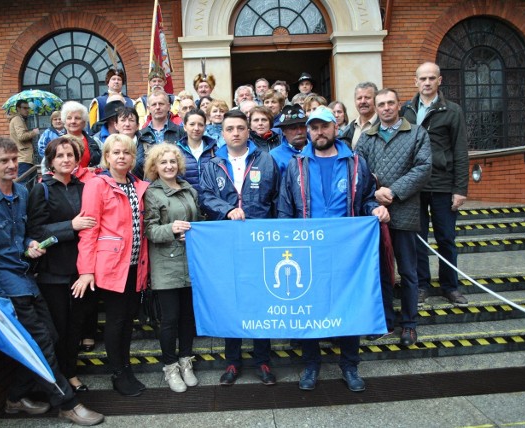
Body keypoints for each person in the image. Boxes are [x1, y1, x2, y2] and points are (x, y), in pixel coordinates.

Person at [0, 136, 104, 426]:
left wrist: (30, 244)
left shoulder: (21, 192)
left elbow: (28, 233)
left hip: (27, 278)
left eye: (15, 159)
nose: (12, 165)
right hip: (6, 286)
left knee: (49, 338)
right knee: (41, 341)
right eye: (4, 160)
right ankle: (67, 403)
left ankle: (16, 396)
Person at [277, 108, 390, 392]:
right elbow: (285, 209)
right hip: (308, 250)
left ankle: (350, 365)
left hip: (347, 251)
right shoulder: (297, 165)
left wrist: (374, 207)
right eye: (313, 127)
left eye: (324, 126)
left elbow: (364, 199)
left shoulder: (354, 162)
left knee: (349, 305)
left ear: (335, 127)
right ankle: (311, 364)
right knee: (309, 307)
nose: (319, 132)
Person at [199, 110, 280, 386]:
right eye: (230, 128)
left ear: (248, 132)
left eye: (240, 128)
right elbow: (206, 197)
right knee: (231, 300)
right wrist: (228, 210)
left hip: (260, 243)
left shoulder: (266, 160)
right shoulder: (212, 164)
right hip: (227, 242)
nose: (235, 132)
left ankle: (263, 361)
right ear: (222, 133)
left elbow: (277, 199)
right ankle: (232, 361)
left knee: (260, 298)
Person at [72, 134, 149, 398]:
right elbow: (89, 230)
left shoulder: (137, 184)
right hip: (111, 264)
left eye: (126, 153)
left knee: (128, 319)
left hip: (134, 264)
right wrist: (86, 270)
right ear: (106, 157)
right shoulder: (97, 185)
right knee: (116, 321)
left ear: (132, 158)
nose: (121, 157)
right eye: (115, 153)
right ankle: (118, 373)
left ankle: (126, 368)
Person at [356, 88, 432, 347]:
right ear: (375, 108)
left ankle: (409, 324)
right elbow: (359, 170)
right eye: (381, 104)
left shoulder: (417, 134)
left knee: (408, 272)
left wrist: (394, 191)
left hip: (405, 211)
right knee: (381, 271)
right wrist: (374, 193)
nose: (386, 108)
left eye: (391, 103)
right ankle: (385, 320)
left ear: (399, 105)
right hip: (375, 214)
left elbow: (423, 167)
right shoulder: (367, 137)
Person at [27, 137, 97, 393]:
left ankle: (71, 373)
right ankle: (60, 378)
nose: (66, 159)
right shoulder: (41, 189)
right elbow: (36, 231)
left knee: (76, 325)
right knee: (60, 327)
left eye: (70, 155)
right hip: (53, 272)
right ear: (51, 161)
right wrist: (70, 227)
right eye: (60, 156)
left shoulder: (83, 187)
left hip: (81, 269)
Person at [402, 62, 470, 307]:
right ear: (415, 81)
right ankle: (422, 285)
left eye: (432, 78)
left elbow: (461, 151)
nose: (427, 82)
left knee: (446, 238)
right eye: (423, 78)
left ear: (440, 80)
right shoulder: (405, 110)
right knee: (418, 239)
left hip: (442, 184)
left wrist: (460, 189)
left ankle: (450, 286)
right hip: (414, 187)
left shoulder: (452, 111)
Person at [143, 144, 201, 393]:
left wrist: (195, 233)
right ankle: (169, 366)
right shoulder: (152, 193)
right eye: (163, 162)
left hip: (191, 262)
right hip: (166, 264)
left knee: (188, 317)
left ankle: (185, 360)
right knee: (170, 319)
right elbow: (150, 230)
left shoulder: (189, 190)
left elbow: (199, 222)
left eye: (172, 161)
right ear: (154, 167)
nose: (168, 166)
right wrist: (172, 229)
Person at [135, 90, 185, 178]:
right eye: (154, 104)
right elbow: (137, 165)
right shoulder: (141, 135)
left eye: (161, 104)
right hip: (150, 187)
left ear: (169, 106)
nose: (157, 107)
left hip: (176, 183)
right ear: (148, 108)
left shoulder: (180, 132)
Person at [177, 109, 218, 192]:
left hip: (211, 200)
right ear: (185, 127)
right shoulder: (177, 151)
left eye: (200, 125)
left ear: (205, 127)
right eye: (192, 124)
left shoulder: (215, 150)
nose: (196, 128)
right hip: (187, 201)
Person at [270, 104, 310, 177]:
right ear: (283, 131)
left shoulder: (317, 150)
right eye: (293, 128)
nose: (299, 131)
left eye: (302, 126)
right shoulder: (274, 156)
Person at [62, 101, 102, 171]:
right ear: (64, 121)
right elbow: (47, 167)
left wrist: (95, 169)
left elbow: (107, 161)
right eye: (69, 118)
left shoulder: (96, 142)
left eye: (77, 118)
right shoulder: (56, 143)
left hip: (91, 180)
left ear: (84, 122)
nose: (73, 121)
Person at [340, 82, 379, 149]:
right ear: (355, 101)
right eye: (359, 98)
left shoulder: (383, 126)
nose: (363, 101)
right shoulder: (349, 129)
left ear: (376, 100)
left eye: (367, 97)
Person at [8, 100, 39, 177]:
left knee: (30, 184)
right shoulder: (17, 119)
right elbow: (21, 136)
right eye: (24, 108)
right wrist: (33, 132)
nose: (27, 110)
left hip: (26, 158)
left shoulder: (21, 119)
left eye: (28, 108)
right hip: (24, 158)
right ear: (18, 108)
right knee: (24, 184)